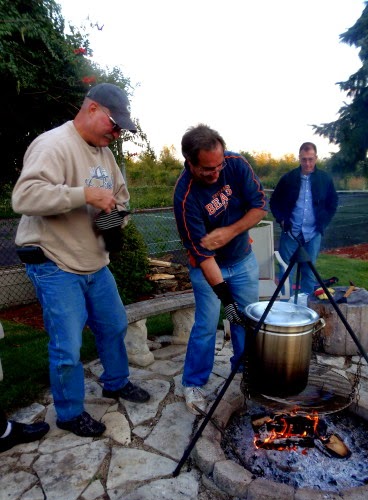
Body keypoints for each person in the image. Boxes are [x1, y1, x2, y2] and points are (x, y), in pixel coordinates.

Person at [12, 83, 150, 438]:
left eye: (122, 127)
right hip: (55, 263)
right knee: (67, 345)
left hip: (94, 262)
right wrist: (83, 194)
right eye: (113, 123)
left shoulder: (105, 154)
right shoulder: (53, 144)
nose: (117, 132)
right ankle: (70, 413)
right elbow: (24, 197)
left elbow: (119, 198)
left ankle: (115, 383)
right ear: (91, 109)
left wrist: (112, 219)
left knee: (115, 324)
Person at [174, 124, 267, 415]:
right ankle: (193, 383)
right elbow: (204, 257)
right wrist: (227, 302)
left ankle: (245, 373)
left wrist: (229, 232)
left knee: (246, 320)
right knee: (206, 325)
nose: (216, 173)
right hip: (208, 269)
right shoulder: (185, 197)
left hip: (242, 261)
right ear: (190, 162)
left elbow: (259, 206)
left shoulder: (235, 164)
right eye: (207, 169)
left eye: (219, 165)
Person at [269, 142, 338, 295]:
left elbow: (333, 203)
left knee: (309, 271)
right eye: (304, 159)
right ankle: (285, 307)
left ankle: (306, 307)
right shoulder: (288, 178)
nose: (307, 163)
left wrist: (323, 222)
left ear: (316, 158)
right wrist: (281, 219)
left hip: (313, 234)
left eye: (311, 159)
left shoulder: (325, 179)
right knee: (286, 270)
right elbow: (274, 201)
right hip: (290, 233)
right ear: (299, 158)